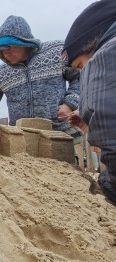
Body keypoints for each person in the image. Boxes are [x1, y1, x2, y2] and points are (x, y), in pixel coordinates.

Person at [0, 15, 82, 144]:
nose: (6, 54)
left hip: (58, 132)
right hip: (21, 138)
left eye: (9, 47)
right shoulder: (1, 73)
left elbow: (80, 77)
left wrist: (70, 104)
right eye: (1, 51)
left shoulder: (56, 52)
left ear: (25, 43)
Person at [62, 0, 116, 204]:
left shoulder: (105, 56)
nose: (83, 72)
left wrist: (108, 185)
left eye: (79, 66)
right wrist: (92, 122)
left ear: (91, 45)